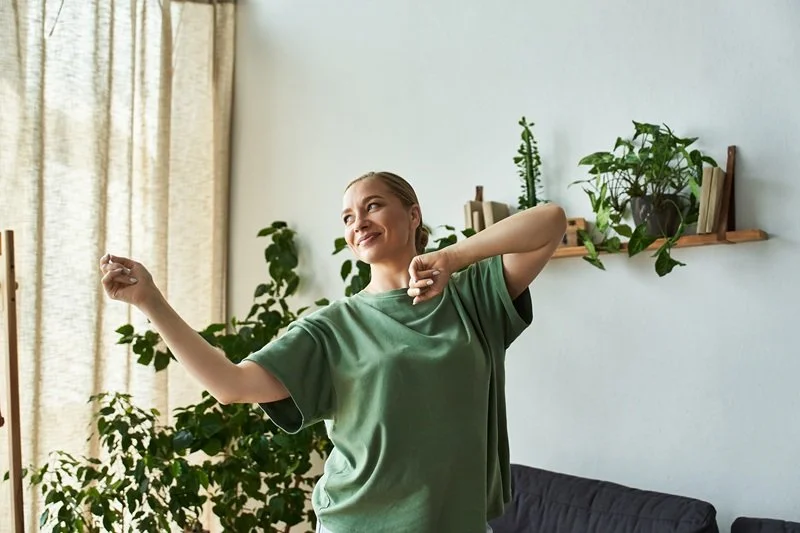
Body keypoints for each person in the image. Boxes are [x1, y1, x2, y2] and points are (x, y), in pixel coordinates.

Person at [100, 171, 567, 533]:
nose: (358, 222)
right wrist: (150, 301)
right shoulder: (332, 327)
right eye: (347, 217)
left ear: (413, 214)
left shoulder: (472, 296)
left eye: (373, 206)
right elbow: (230, 385)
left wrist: (451, 258)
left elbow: (549, 221)